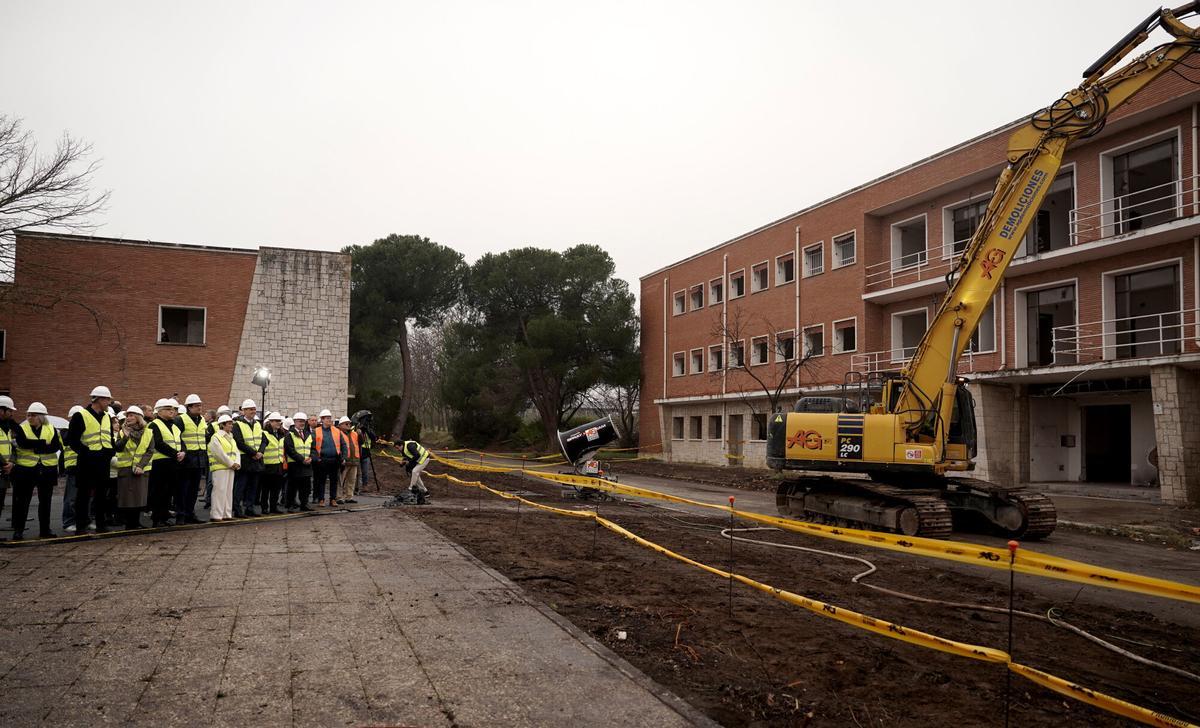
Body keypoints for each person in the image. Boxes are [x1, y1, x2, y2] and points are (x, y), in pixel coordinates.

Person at [66, 386, 116, 533]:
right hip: (87, 461)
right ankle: (81, 526)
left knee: (102, 495)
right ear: (98, 399)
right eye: (107, 399)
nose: (109, 402)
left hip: (103, 461)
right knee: (84, 494)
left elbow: (110, 437)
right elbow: (72, 440)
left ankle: (101, 525)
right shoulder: (80, 415)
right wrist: (86, 453)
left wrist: (110, 451)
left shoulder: (107, 416)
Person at [11, 402, 62, 539]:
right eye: (28, 415)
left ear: (40, 417)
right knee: (22, 501)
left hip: (47, 469)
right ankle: (18, 530)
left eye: (32, 415)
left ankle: (45, 530)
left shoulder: (51, 428)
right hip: (26, 469)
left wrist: (36, 446)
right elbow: (23, 443)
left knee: (45, 502)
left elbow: (56, 447)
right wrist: (43, 444)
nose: (29, 417)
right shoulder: (22, 428)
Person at [115, 406, 153, 530]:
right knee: (128, 499)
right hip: (126, 469)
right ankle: (129, 524)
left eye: (131, 415)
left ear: (138, 418)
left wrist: (140, 466)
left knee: (139, 497)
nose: (128, 418)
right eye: (127, 416)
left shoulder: (148, 432)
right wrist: (125, 437)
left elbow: (150, 451)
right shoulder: (122, 431)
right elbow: (118, 448)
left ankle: (136, 522)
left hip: (141, 469)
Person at [147, 399, 184, 527]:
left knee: (169, 492)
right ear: (159, 411)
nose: (172, 411)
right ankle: (156, 519)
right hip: (160, 463)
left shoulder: (174, 425)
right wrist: (176, 453)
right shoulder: (154, 425)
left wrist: (183, 451)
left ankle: (164, 516)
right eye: (168, 409)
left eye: (172, 409)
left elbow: (181, 441)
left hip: (173, 462)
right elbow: (158, 443)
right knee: (159, 491)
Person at [174, 393, 210, 524]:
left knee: (194, 490)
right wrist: (183, 451)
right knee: (183, 489)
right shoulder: (180, 420)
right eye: (196, 406)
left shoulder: (201, 420)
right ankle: (181, 515)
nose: (200, 407)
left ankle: (190, 513)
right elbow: (176, 438)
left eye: (200, 405)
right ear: (189, 407)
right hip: (186, 460)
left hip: (199, 459)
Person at [232, 399, 264, 517]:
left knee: (253, 486)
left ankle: (249, 508)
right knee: (240, 486)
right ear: (244, 411)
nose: (253, 411)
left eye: (254, 409)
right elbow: (239, 442)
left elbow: (263, 439)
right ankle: (237, 509)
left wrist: (260, 452)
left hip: (256, 459)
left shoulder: (257, 424)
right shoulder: (237, 424)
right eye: (250, 409)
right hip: (245, 458)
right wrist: (254, 453)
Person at [208, 413, 240, 521]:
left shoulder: (231, 438)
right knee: (219, 491)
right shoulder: (216, 437)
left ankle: (226, 514)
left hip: (230, 468)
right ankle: (216, 515)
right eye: (229, 423)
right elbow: (219, 454)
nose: (231, 425)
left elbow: (236, 452)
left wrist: (237, 463)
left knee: (228, 492)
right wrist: (232, 463)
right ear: (222, 425)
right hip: (220, 468)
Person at [311, 409, 345, 507]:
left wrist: (343, 457)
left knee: (334, 481)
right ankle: (321, 499)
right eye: (327, 418)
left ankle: (333, 499)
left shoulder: (337, 431)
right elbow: (312, 447)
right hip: (322, 460)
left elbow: (343, 444)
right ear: (322, 419)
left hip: (335, 460)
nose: (329, 420)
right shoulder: (316, 431)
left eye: (330, 418)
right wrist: (316, 458)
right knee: (321, 481)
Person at [284, 412, 313, 512]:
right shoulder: (290, 435)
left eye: (303, 422)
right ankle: (290, 505)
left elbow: (313, 448)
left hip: (307, 464)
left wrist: (311, 458)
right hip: (295, 464)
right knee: (292, 486)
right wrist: (302, 459)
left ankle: (304, 504)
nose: (302, 423)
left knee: (305, 487)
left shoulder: (308, 434)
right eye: (300, 421)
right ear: (295, 422)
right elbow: (290, 450)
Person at [259, 412, 286, 514]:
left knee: (276, 489)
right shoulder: (264, 434)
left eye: (279, 421)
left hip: (278, 465)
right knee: (266, 489)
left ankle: (274, 507)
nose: (279, 423)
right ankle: (264, 507)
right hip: (268, 465)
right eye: (276, 421)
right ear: (270, 422)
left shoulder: (281, 434)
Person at [61, 404, 82, 533]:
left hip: (84, 466)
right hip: (73, 467)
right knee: (71, 497)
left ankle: (81, 520)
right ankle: (69, 521)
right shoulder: (66, 432)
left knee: (83, 497)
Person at [400, 439, 432, 505]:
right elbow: (406, 456)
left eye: (397, 447)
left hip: (424, 458)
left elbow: (416, 455)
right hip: (418, 460)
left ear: (401, 445)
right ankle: (425, 492)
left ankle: (411, 488)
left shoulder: (410, 445)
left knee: (414, 472)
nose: (397, 449)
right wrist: (403, 463)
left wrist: (409, 463)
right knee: (415, 475)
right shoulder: (403, 449)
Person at [337, 416, 360, 505]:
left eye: (349, 423)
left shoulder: (354, 433)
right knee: (340, 480)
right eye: (346, 423)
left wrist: (360, 434)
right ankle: (339, 497)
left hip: (354, 460)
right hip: (344, 461)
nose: (348, 425)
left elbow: (360, 443)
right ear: (340, 425)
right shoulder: (338, 433)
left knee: (351, 480)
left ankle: (349, 496)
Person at [0, 395, 15, 525]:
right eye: (9, 411)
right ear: (1, 410)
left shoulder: (7, 427)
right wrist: (5, 464)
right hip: (3, 467)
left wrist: (11, 462)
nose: (11, 414)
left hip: (4, 471)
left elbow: (10, 447)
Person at [355, 411, 377, 493]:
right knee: (356, 472)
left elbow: (374, 437)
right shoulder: (356, 428)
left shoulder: (369, 428)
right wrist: (359, 431)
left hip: (366, 452)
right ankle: (356, 486)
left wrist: (367, 430)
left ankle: (365, 486)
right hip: (358, 451)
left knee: (365, 471)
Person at [202, 407, 217, 509]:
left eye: (206, 414)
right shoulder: (211, 425)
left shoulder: (211, 426)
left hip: (210, 455)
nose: (204, 416)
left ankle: (208, 499)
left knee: (210, 479)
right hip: (211, 455)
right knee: (210, 478)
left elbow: (207, 439)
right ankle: (209, 498)